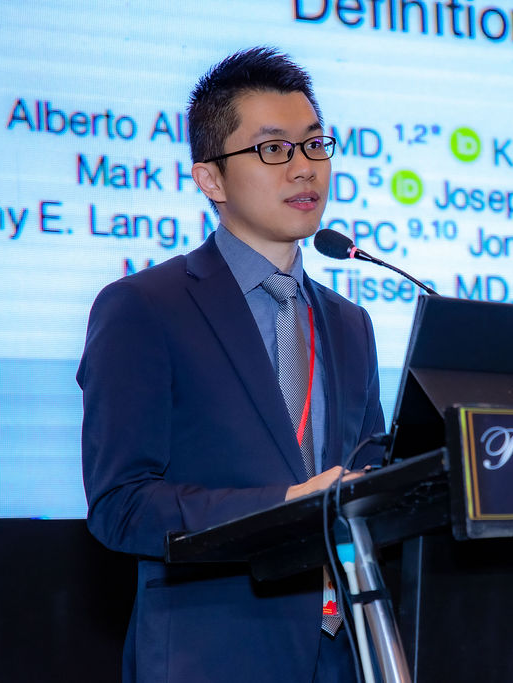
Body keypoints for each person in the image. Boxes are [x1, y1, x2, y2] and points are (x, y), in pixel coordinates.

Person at [78, 47, 385, 682]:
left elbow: (371, 480)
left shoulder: (351, 325)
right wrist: (287, 505)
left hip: (347, 657)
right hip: (213, 657)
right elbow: (121, 506)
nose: (304, 168)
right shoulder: (145, 307)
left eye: (315, 144)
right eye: (273, 149)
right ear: (211, 180)